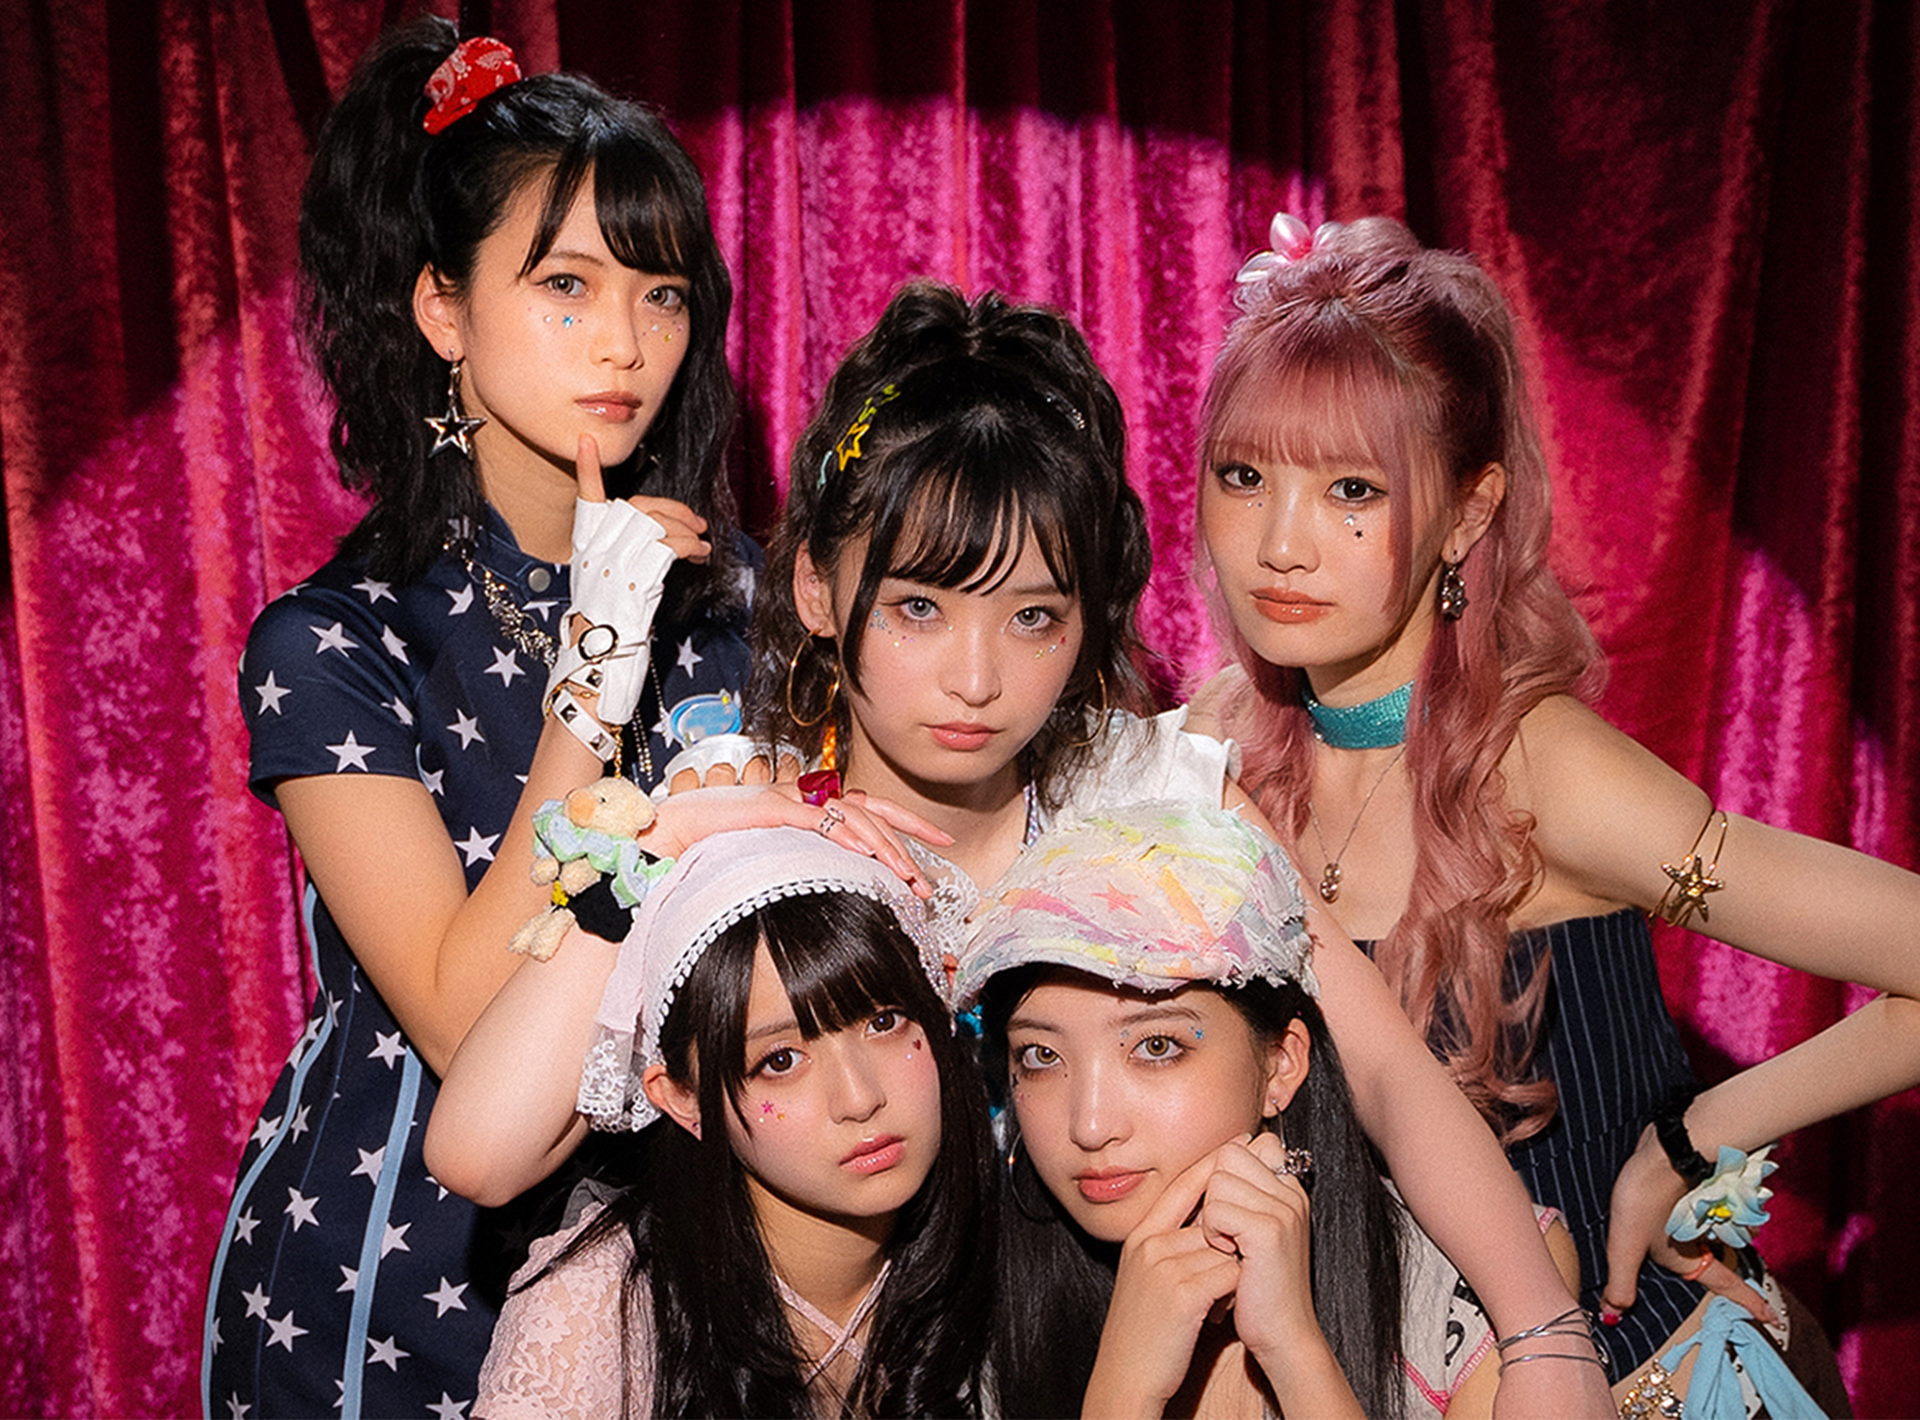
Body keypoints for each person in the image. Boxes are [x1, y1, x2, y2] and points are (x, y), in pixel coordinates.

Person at [430, 279, 1611, 1414]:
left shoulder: (1154, 796)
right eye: (920, 608)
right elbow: (483, 1156)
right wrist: (680, 834)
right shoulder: (750, 830)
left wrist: (1544, 1333)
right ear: (820, 589)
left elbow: (1387, 1071)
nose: (979, 678)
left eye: (1034, 616)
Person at [1189, 211, 1919, 1403]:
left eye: (1352, 489)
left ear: (1468, 514)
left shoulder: (1543, 772)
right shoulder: (1215, 750)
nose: (1279, 542)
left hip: (1651, 1381)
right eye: (1245, 476)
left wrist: (1691, 1139)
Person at [201, 15, 798, 1418]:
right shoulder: (335, 643)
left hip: (692, 1293)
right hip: (393, 1295)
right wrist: (598, 660)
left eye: (662, 294)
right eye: (566, 287)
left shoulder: (746, 601)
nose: (626, 343)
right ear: (443, 312)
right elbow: (469, 1020)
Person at [960, 802, 1564, 1419]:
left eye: (1156, 1046)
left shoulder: (1462, 1290)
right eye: (1041, 1055)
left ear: (1280, 1064)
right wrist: (1124, 1390)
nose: (1090, 1126)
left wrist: (1294, 1350)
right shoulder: (968, 1316)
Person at [472, 826, 994, 1418]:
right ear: (683, 1100)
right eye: (780, 1061)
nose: (858, 1098)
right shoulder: (599, 1309)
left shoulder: (1017, 1247)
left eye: (883, 1022)